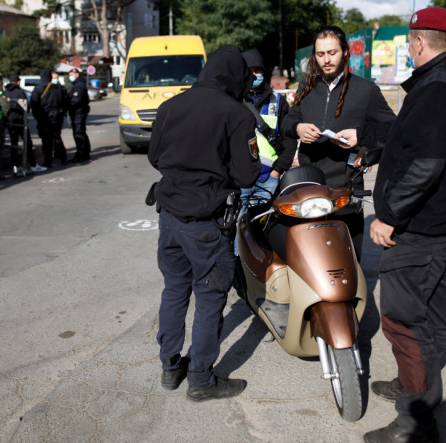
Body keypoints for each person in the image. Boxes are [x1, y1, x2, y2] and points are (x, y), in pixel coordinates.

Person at [364, 8, 446, 443]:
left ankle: (414, 421)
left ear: (419, 42)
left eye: (409, 42)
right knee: (432, 317)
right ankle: (413, 385)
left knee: (406, 324)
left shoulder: (438, 87)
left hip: (423, 230)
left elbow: (426, 164)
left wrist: (389, 216)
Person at [148, 44, 261, 401]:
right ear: (236, 76)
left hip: (169, 217)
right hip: (207, 223)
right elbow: (247, 174)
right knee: (210, 298)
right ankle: (200, 378)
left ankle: (170, 366)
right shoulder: (236, 113)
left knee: (174, 290)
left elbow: (154, 156)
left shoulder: (170, 106)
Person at [281, 25, 395, 261]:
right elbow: (288, 120)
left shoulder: (366, 90)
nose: (326, 60)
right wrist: (298, 128)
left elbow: (392, 128)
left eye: (332, 53)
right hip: (308, 187)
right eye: (320, 54)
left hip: (346, 190)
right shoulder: (306, 86)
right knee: (311, 260)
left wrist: (363, 139)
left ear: (345, 52)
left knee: (346, 260)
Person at [238, 49, 296, 215]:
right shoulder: (233, 100)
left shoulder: (278, 101)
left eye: (257, 70)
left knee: (265, 225)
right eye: (249, 71)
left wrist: (277, 171)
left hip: (268, 179)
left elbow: (289, 138)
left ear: (264, 72)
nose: (254, 75)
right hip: (240, 180)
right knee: (239, 227)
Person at [30, 68, 57, 170]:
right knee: (56, 137)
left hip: (43, 117)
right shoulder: (57, 87)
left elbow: (34, 104)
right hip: (56, 116)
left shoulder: (38, 88)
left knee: (46, 140)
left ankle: (48, 160)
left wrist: (37, 117)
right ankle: (61, 157)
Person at [67, 68, 91, 163]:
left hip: (78, 112)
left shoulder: (79, 85)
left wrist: (67, 104)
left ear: (77, 74)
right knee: (81, 132)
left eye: (71, 75)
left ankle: (81, 154)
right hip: (79, 112)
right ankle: (85, 153)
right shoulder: (78, 84)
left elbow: (76, 99)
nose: (70, 77)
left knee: (79, 133)